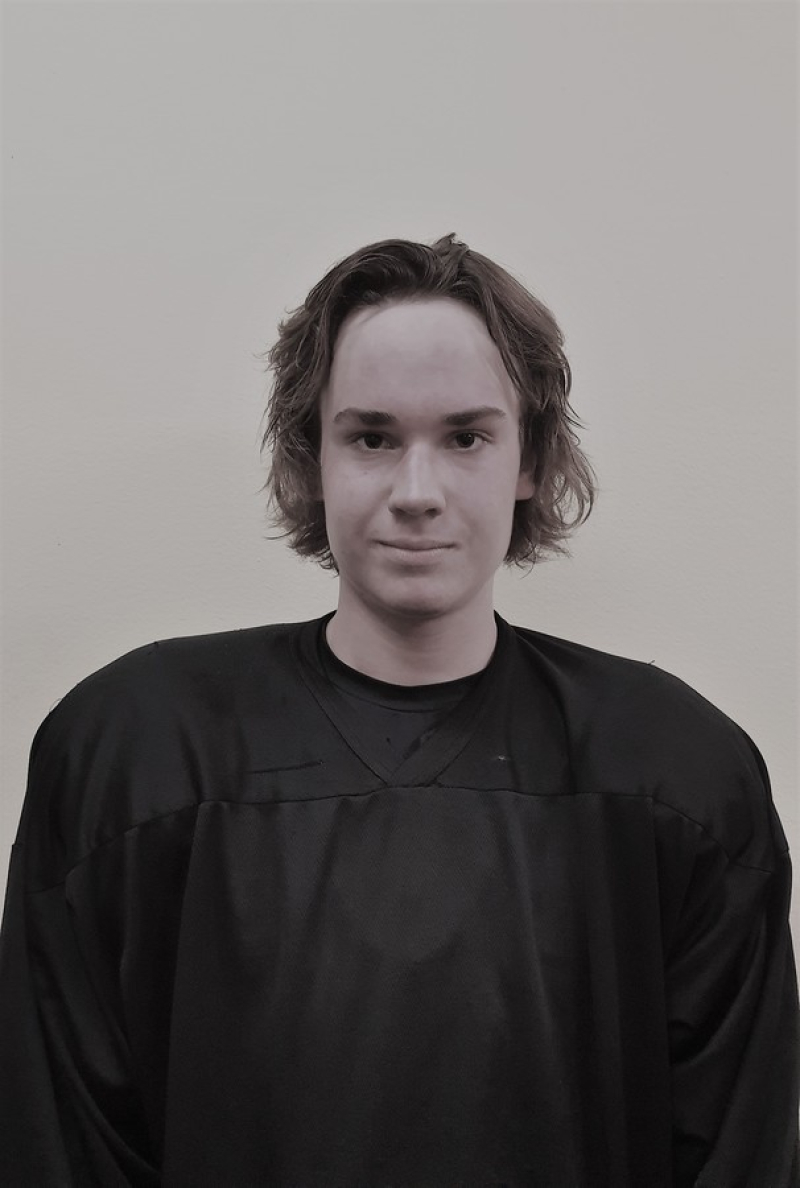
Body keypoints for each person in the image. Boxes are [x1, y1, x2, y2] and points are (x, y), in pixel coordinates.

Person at [0, 232, 797, 1187]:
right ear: (313, 456)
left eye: (466, 437)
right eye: (372, 437)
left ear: (530, 459)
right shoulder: (136, 753)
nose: (418, 493)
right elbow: (56, 1141)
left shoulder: (675, 770)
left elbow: (742, 1150)